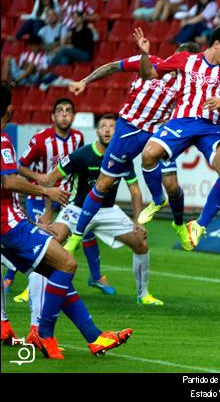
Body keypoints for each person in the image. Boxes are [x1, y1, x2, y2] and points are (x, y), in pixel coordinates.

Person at [0, 84, 132, 360]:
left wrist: (30, 221)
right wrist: (46, 190)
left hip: (10, 224)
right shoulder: (2, 140)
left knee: (57, 273)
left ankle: (94, 338)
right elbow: (9, 181)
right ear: (9, 108)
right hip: (9, 227)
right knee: (68, 263)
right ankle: (44, 332)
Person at [62, 40, 202, 254]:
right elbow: (112, 67)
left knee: (172, 186)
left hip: (157, 134)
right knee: (102, 185)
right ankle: (76, 236)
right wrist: (85, 81)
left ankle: (178, 223)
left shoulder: (188, 84)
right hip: (128, 130)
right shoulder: (149, 62)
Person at [130, 25, 220, 248]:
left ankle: (199, 224)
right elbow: (148, 74)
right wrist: (144, 53)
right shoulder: (185, 59)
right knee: (148, 155)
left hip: (211, 127)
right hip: (182, 121)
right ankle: (158, 200)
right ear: (216, 44)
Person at [44, 114, 164, 305]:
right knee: (51, 241)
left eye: (112, 127)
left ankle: (143, 295)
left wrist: (137, 221)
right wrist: (48, 213)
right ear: (97, 131)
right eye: (103, 126)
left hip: (108, 212)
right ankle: (33, 290)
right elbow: (50, 179)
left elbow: (135, 191)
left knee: (141, 243)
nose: (107, 130)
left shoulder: (123, 157)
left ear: (118, 131)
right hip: (77, 209)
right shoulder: (81, 155)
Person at [4, 99, 100, 304]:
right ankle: (12, 281)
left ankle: (97, 276)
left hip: (66, 198)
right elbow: (21, 167)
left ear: (73, 116)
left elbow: (78, 167)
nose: (64, 115)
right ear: (52, 117)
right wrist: (40, 181)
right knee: (37, 242)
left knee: (87, 230)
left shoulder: (78, 138)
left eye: (68, 111)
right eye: (60, 111)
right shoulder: (40, 139)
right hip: (40, 197)